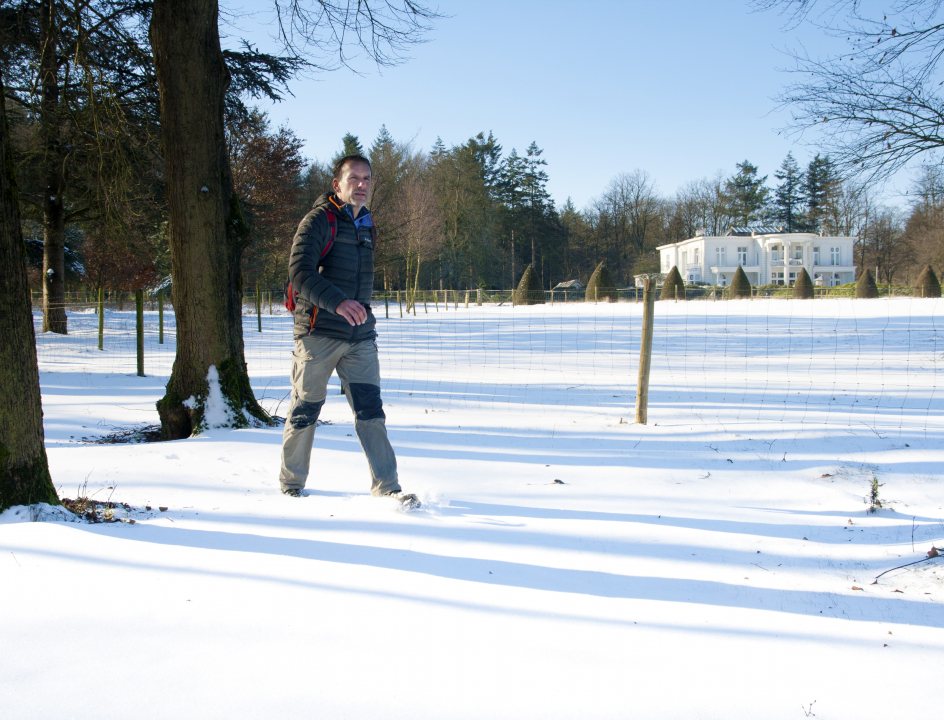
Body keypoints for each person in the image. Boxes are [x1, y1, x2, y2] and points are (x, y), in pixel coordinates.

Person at [278, 154, 414, 506]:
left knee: (371, 410)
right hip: (318, 335)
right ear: (337, 184)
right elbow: (301, 273)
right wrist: (338, 303)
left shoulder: (366, 224)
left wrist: (362, 314)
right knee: (305, 409)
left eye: (367, 178)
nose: (362, 185)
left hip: (359, 339)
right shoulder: (318, 221)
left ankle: (387, 486)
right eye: (354, 178)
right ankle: (292, 486)